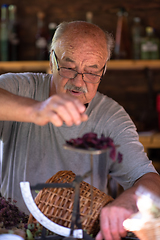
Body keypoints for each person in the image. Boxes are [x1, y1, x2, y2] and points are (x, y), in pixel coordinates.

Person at [0, 20, 160, 240]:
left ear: (104, 69)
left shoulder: (111, 117)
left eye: (92, 72)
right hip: (13, 232)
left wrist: (126, 203)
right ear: (51, 61)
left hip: (80, 233)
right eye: (69, 67)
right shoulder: (18, 88)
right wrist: (35, 109)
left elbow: (150, 181)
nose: (79, 81)